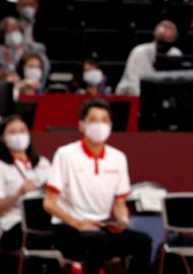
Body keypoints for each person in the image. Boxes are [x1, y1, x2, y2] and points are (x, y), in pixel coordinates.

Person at [43, 99, 151, 274]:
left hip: (101, 226)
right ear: (81, 125)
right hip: (69, 228)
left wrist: (122, 221)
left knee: (142, 241)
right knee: (98, 240)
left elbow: (119, 202)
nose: (100, 125)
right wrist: (77, 223)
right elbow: (49, 203)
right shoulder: (66, 154)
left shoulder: (118, 157)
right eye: (93, 119)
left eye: (104, 120)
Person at [0, 115, 52, 252]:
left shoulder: (43, 163)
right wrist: (19, 193)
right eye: (12, 132)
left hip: (45, 222)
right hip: (12, 224)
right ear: (2, 137)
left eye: (22, 131)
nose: (19, 135)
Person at [116, 21, 181, 96]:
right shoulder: (139, 52)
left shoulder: (175, 54)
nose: (164, 46)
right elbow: (132, 82)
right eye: (162, 42)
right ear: (155, 38)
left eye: (169, 43)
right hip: (131, 95)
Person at [0, 16, 50, 82]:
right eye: (9, 30)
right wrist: (2, 75)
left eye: (15, 28)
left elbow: (45, 68)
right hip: (6, 87)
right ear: (3, 34)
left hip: (31, 86)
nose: (14, 32)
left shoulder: (34, 48)